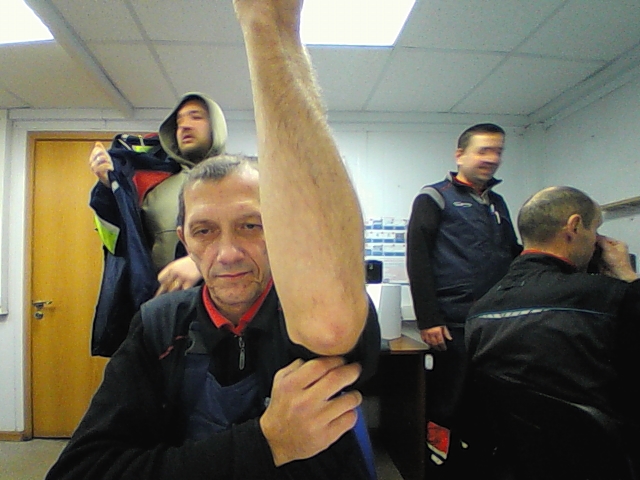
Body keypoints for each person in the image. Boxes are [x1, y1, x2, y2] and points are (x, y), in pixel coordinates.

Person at [45, 1, 380, 479]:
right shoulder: (158, 326)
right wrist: (267, 443)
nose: (227, 254)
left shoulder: (307, 317)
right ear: (184, 238)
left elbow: (330, 323)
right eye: (204, 231)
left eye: (251, 225)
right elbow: (79, 472)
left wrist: (269, 30)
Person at [465, 186, 640, 461]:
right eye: (595, 230)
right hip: (605, 457)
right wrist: (629, 278)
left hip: (525, 459)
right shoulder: (612, 298)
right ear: (574, 226)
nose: (596, 242)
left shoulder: (480, 311)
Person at [406, 123, 521, 470]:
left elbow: (512, 252)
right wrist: (429, 318)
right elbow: (418, 257)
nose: (492, 158)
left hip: (495, 321)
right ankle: (440, 466)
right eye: (484, 150)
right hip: (452, 322)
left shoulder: (496, 202)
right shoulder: (435, 197)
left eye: (498, 151)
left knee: (486, 399)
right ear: (460, 155)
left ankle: (477, 464)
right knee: (449, 400)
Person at [89, 94, 227, 355]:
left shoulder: (242, 181)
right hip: (162, 316)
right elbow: (123, 243)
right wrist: (110, 187)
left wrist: (201, 262)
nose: (184, 126)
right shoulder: (156, 188)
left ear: (216, 126)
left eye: (196, 117)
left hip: (226, 315)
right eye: (179, 121)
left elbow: (266, 244)